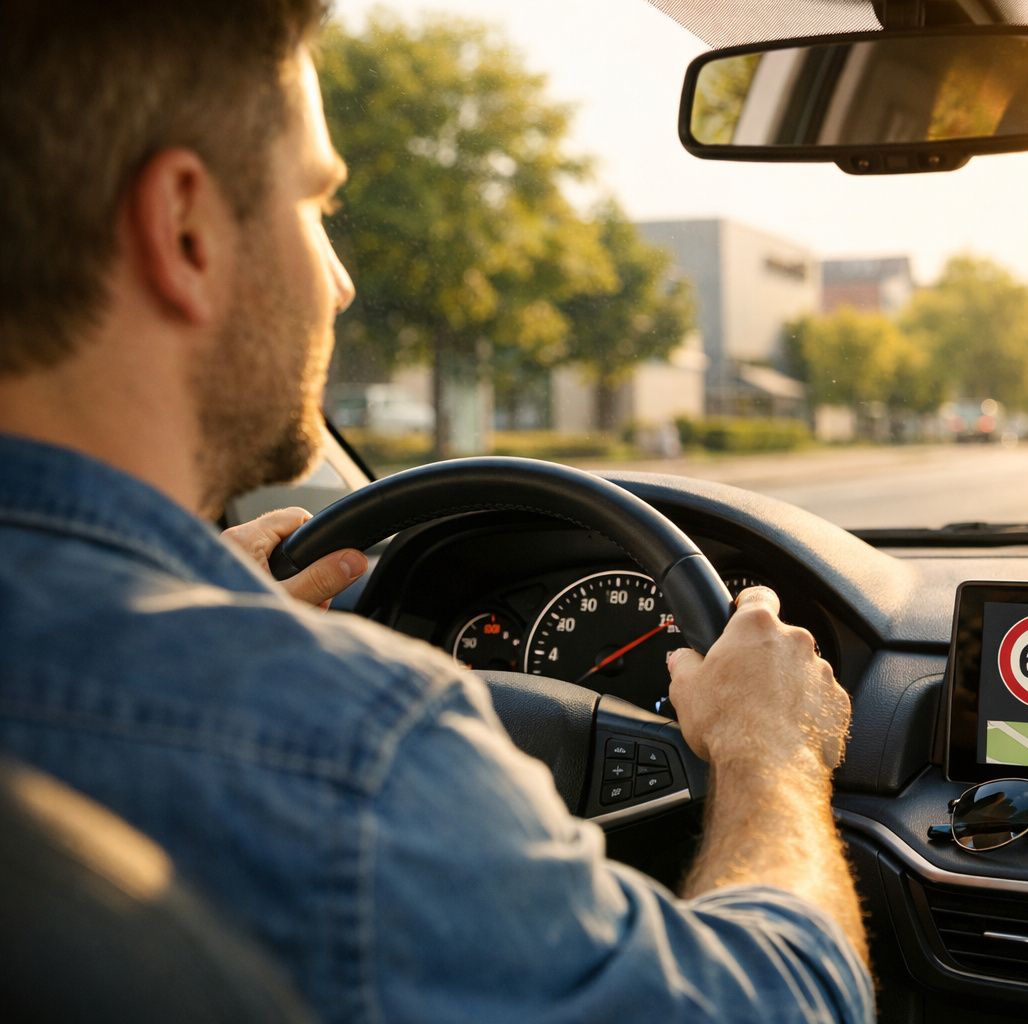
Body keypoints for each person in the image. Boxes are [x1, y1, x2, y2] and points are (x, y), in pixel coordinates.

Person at [0, 3, 871, 1021]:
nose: (339, 280)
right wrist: (772, 751)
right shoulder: (356, 748)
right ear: (185, 227)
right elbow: (780, 1001)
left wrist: (185, 593)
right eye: (315, 204)